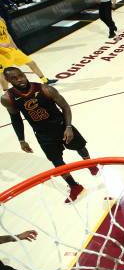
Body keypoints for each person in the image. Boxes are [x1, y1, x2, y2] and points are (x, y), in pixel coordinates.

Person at [0, 67, 96, 203]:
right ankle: (74, 186)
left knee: (80, 147)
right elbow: (15, 119)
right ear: (8, 80)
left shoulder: (45, 89)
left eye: (20, 75)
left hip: (62, 126)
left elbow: (65, 107)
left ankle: (90, 164)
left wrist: (68, 127)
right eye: (14, 78)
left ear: (24, 74)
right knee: (56, 161)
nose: (19, 79)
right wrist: (22, 140)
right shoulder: (8, 98)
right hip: (43, 134)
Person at [0, 17, 57, 91]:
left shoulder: (1, 19)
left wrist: (15, 46)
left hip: (11, 50)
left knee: (31, 63)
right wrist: (1, 45)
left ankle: (45, 80)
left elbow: (7, 33)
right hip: (1, 53)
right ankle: (6, 91)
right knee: (3, 74)